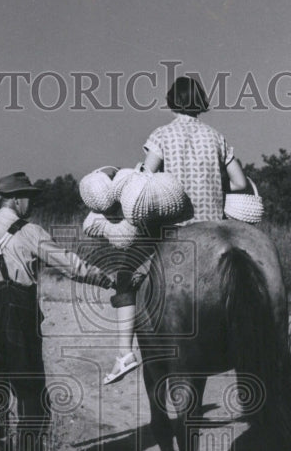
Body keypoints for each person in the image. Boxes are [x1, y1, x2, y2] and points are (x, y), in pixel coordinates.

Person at [0, 172, 113, 451]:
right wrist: (106, 279)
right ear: (15, 199)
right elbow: (70, 264)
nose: (33, 203)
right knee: (31, 397)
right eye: (30, 197)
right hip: (18, 321)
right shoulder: (30, 232)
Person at [104, 76, 249, 385]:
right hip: (216, 228)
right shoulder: (217, 137)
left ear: (172, 101)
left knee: (126, 275)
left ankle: (124, 354)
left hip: (173, 232)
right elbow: (239, 183)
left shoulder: (161, 136)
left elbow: (144, 180)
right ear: (201, 102)